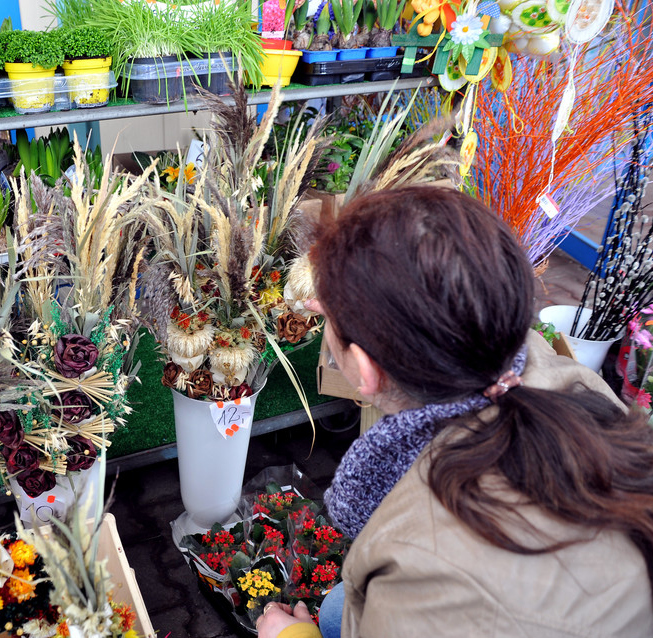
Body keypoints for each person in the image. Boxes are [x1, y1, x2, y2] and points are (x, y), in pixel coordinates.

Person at [258, 186, 653, 638]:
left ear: (365, 371)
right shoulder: (562, 379)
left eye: (331, 320)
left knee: (329, 615)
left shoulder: (425, 563)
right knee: (337, 608)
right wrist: (363, 308)